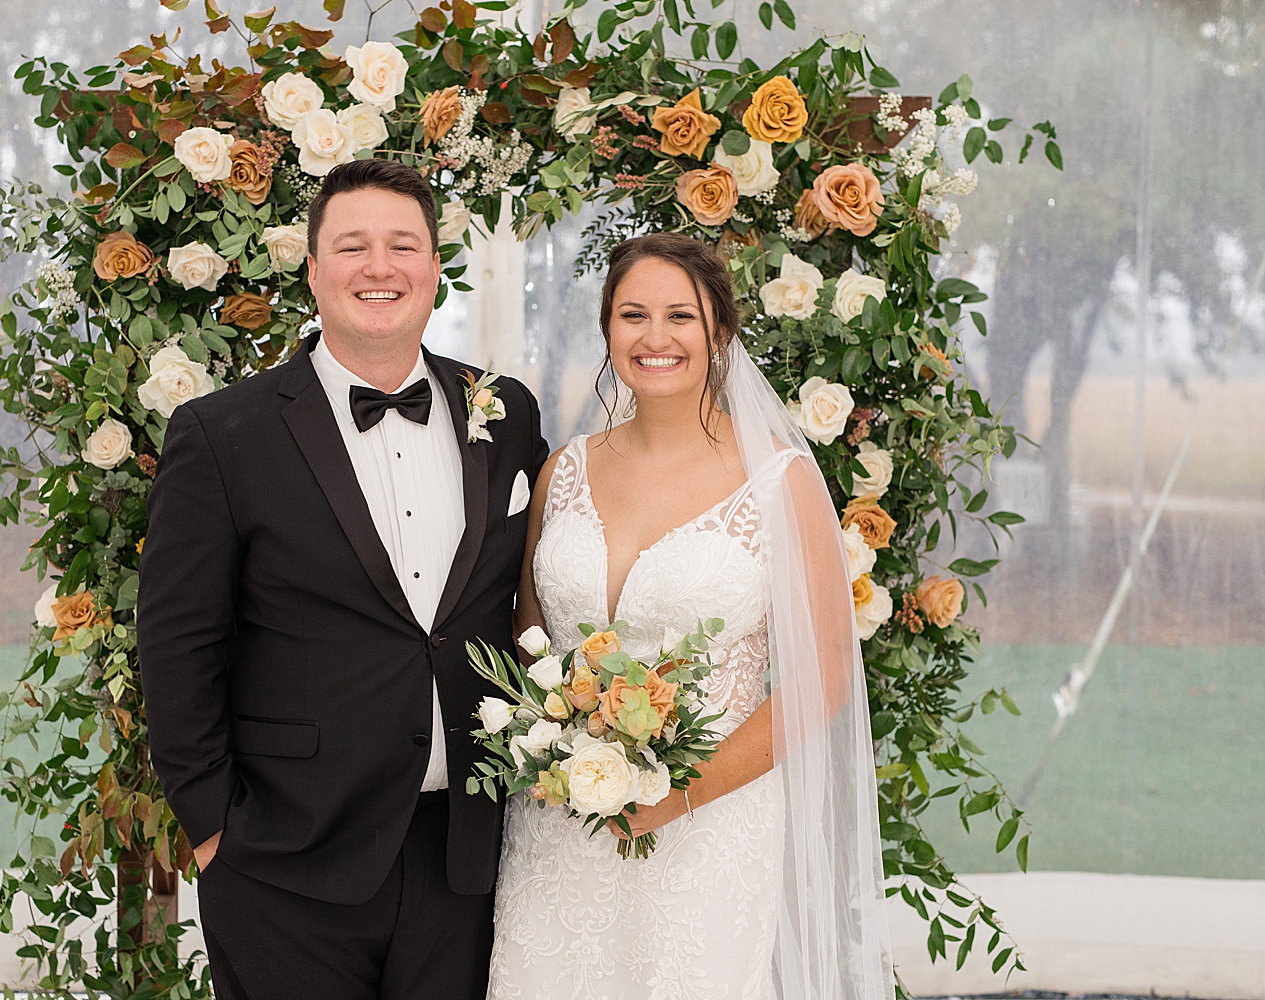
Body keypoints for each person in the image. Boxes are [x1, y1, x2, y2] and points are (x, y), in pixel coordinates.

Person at [138, 157, 548, 1000]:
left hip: (464, 857)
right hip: (285, 859)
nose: (380, 266)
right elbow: (177, 644)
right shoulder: (222, 433)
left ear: (436, 269)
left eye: (404, 245)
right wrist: (214, 829)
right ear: (315, 270)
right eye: (353, 245)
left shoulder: (505, 413)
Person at [488, 233, 894, 999]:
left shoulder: (781, 480)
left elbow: (826, 677)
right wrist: (560, 755)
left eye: (681, 315)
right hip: (559, 827)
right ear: (608, 329)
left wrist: (673, 796)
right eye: (633, 314)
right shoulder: (562, 470)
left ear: (721, 332)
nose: (655, 336)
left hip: (711, 829)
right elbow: (530, 643)